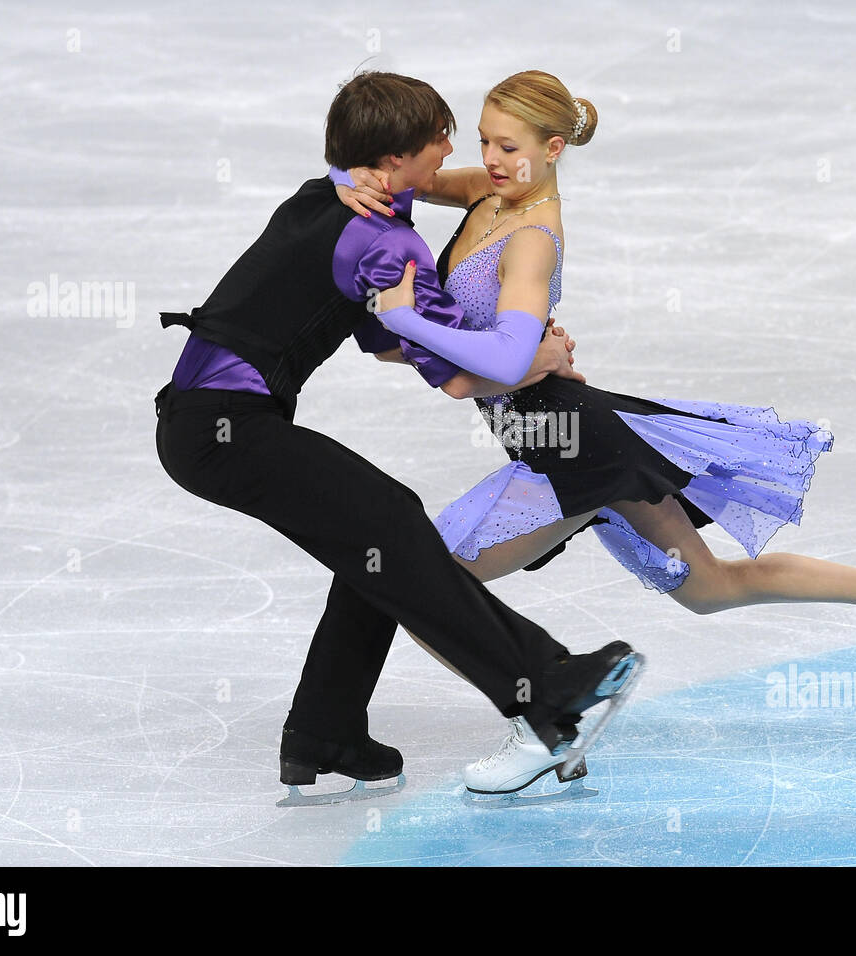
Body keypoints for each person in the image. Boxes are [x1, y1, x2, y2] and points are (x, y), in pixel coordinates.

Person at [333, 69, 856, 802]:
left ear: (552, 150)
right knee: (709, 587)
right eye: (486, 141)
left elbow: (503, 360)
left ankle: (547, 722)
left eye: (509, 147)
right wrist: (348, 179)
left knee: (428, 583)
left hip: (567, 446)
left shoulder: (531, 239)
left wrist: (429, 327)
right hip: (578, 436)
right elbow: (409, 181)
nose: (491, 159)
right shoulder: (491, 191)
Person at [153, 71, 643, 804]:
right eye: (439, 140)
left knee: (374, 537)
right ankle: (546, 685)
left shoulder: (330, 198)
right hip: (223, 431)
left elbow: (387, 343)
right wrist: (537, 359)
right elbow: (455, 378)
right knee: (389, 521)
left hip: (205, 424)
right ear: (392, 161)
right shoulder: (385, 242)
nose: (450, 151)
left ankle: (324, 735)